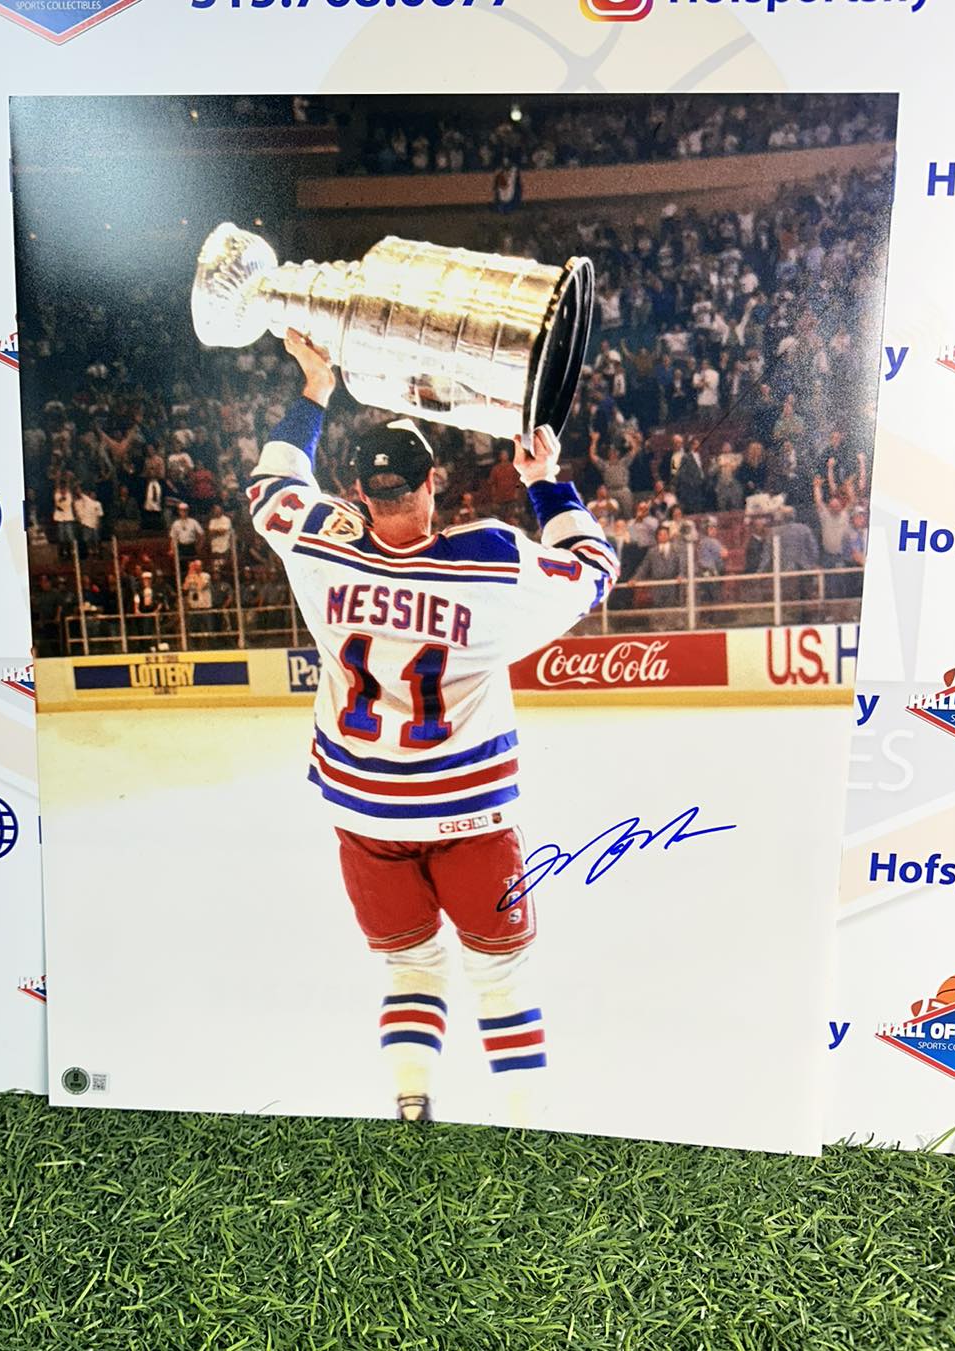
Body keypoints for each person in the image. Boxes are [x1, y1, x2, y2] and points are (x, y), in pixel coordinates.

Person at [247, 329, 619, 1126]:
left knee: (409, 968)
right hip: (469, 813)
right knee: (502, 975)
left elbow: (270, 484)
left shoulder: (320, 541)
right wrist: (544, 481)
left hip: (363, 811)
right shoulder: (485, 559)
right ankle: (526, 1117)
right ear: (433, 485)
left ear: (358, 488)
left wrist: (315, 389)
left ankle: (412, 1102)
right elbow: (594, 570)